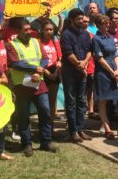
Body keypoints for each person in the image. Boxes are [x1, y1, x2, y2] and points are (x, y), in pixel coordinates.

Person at [6, 18, 56, 156]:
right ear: (17, 31)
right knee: (23, 116)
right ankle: (27, 144)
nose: (29, 31)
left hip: (39, 84)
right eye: (26, 30)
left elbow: (45, 58)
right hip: (22, 86)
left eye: (30, 29)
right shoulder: (11, 45)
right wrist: (36, 68)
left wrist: (40, 69)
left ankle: (46, 141)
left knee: (45, 111)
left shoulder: (35, 42)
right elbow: (14, 63)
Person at [92, 14, 118, 139]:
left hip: (115, 72)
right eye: (104, 24)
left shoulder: (110, 38)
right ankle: (107, 128)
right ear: (98, 25)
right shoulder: (96, 39)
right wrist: (111, 71)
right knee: (103, 101)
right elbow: (99, 59)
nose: (107, 25)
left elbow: (115, 54)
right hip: (103, 73)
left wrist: (117, 69)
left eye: (107, 23)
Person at [60, 9, 92, 143]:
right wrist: (79, 65)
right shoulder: (66, 34)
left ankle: (80, 129)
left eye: (82, 18)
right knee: (71, 101)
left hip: (82, 70)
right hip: (69, 71)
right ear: (72, 20)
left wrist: (84, 63)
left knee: (81, 101)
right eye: (78, 19)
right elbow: (68, 53)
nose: (81, 21)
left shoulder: (85, 34)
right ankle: (72, 131)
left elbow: (90, 51)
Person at [38, 20, 62, 132]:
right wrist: (47, 73)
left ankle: (50, 126)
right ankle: (43, 126)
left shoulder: (55, 41)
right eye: (47, 29)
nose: (49, 32)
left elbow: (59, 59)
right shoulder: (37, 42)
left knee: (52, 101)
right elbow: (37, 60)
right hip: (43, 72)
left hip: (54, 72)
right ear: (42, 30)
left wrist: (55, 72)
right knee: (43, 103)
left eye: (51, 29)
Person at [82, 14, 97, 120]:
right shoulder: (76, 34)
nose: (86, 23)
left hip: (91, 65)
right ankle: (82, 110)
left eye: (87, 21)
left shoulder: (91, 34)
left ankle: (91, 110)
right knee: (81, 90)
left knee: (90, 88)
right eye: (84, 21)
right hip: (80, 65)